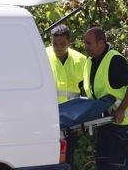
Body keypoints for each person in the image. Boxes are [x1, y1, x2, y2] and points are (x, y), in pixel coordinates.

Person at [83, 27, 128, 170]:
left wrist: (121, 110)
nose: (85, 47)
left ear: (101, 43)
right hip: (106, 123)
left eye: (89, 43)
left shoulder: (114, 60)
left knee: (118, 166)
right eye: (84, 43)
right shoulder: (91, 62)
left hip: (124, 126)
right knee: (104, 165)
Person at [46, 24, 86, 169]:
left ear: (69, 42)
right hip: (48, 117)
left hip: (71, 118)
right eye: (55, 43)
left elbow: (87, 90)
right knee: (48, 156)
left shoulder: (81, 60)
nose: (58, 47)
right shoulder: (43, 56)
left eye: (62, 44)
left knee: (68, 157)